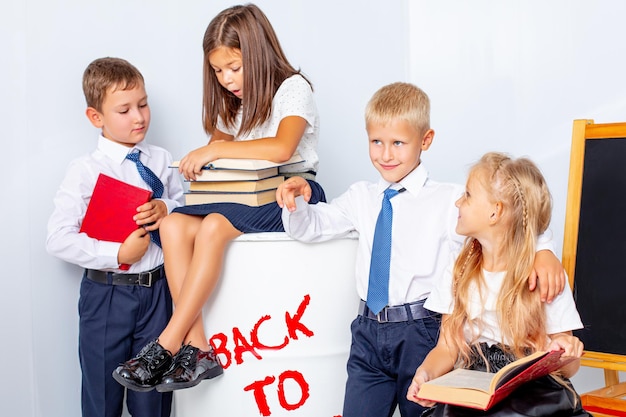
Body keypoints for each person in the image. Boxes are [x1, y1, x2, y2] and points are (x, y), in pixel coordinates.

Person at [276, 82, 566, 417]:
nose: (386, 154)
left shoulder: (450, 200)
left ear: (425, 140)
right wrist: (296, 199)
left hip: (423, 332)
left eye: (398, 143)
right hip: (368, 332)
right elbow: (311, 227)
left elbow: (512, 217)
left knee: (425, 411)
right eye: (376, 142)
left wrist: (543, 250)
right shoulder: (360, 197)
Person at [112, 3, 325, 393]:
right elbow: (222, 152)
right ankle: (199, 348)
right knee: (174, 222)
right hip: (241, 195)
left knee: (211, 226)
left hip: (287, 193)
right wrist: (209, 154)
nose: (226, 79)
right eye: (217, 70)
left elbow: (281, 148)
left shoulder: (294, 88)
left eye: (234, 67)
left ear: (258, 56)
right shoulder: (234, 103)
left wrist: (213, 152)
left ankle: (167, 344)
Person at [46, 57, 184, 417]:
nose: (138, 117)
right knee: (102, 397)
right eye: (124, 110)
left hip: (158, 293)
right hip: (107, 294)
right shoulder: (85, 171)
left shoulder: (161, 159)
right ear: (96, 117)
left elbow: (186, 211)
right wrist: (118, 251)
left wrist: (167, 208)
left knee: (153, 398)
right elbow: (58, 238)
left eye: (143, 104)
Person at [406, 152, 591, 416]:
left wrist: (566, 351)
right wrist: (425, 374)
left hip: (531, 391)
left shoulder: (543, 275)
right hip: (473, 386)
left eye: (468, 195)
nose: (459, 202)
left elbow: (568, 365)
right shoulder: (458, 270)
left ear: (496, 212)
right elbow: (447, 346)